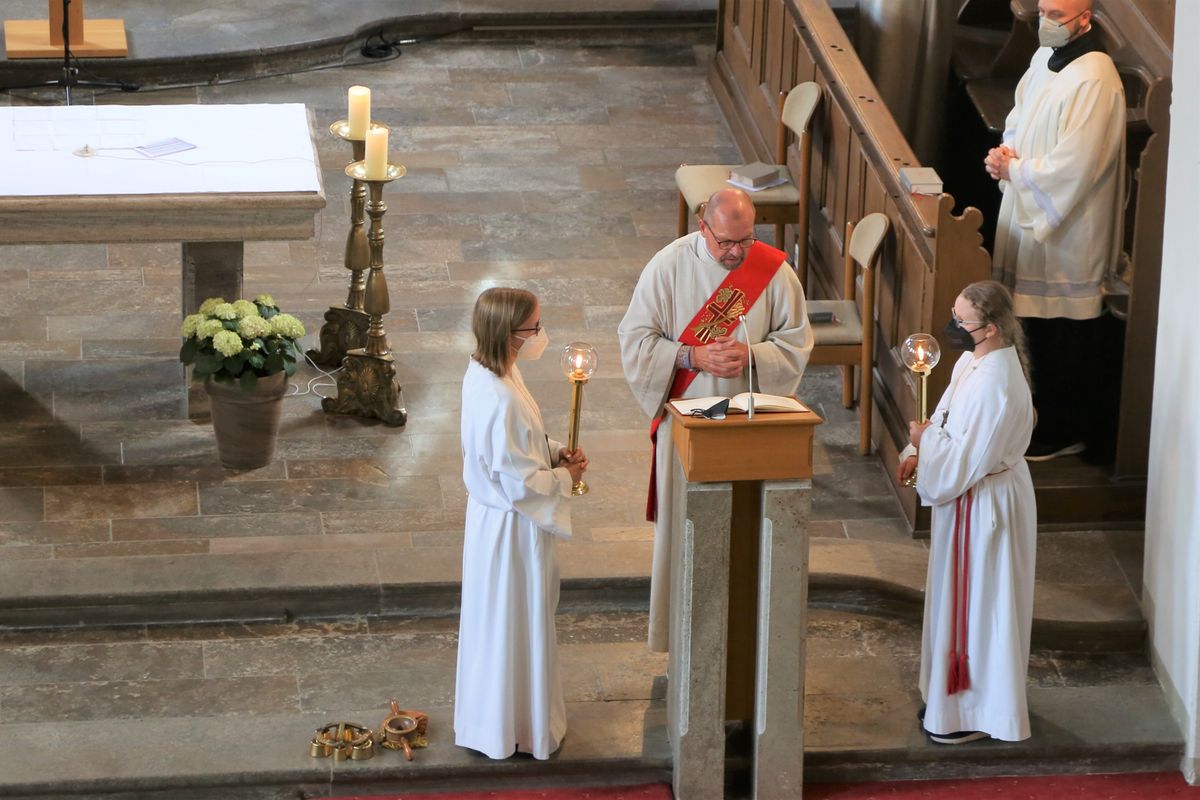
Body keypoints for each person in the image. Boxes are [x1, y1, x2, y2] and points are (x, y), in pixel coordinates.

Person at [618, 188, 812, 653]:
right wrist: (692, 355)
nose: (736, 253)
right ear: (703, 226)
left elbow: (797, 341)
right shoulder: (668, 266)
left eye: (745, 240)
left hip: (751, 425)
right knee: (689, 537)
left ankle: (746, 638)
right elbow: (635, 339)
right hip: (689, 426)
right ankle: (687, 640)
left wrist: (753, 354)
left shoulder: (773, 272)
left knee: (746, 538)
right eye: (725, 242)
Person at [896, 280, 1037, 744]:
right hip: (970, 499)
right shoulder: (971, 361)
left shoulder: (997, 383)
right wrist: (916, 450)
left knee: (981, 608)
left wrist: (925, 444)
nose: (953, 326)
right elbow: (945, 419)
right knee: (960, 603)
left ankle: (976, 712)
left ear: (991, 328)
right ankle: (949, 700)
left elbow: (963, 461)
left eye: (962, 321)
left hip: (985, 505)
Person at [984, 0, 1125, 461]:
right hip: (1028, 208)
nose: (1046, 21)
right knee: (1030, 326)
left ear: (1085, 20)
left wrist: (1017, 171)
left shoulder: (1096, 79)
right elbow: (1019, 116)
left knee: (1061, 333)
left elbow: (1076, 164)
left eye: (1057, 15)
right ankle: (1029, 417)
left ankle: (1063, 430)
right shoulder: (1044, 56)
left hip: (1070, 231)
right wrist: (1005, 153)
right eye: (1044, 11)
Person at [454, 287, 588, 760]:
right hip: (511, 529)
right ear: (509, 334)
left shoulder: (491, 372)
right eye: (534, 328)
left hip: (493, 522)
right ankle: (517, 728)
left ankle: (497, 721)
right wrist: (566, 477)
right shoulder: (500, 396)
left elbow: (515, 447)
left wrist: (554, 451)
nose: (539, 335)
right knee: (513, 626)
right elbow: (521, 483)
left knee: (499, 624)